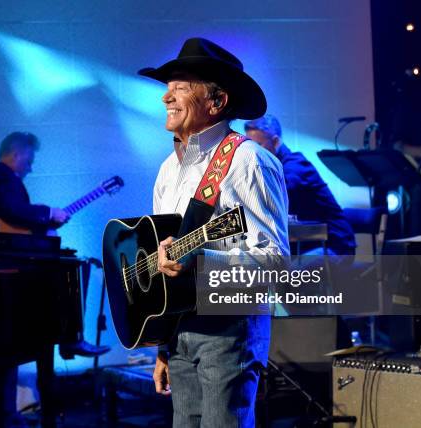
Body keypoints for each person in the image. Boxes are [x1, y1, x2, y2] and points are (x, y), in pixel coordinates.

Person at [139, 38, 290, 427]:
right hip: (180, 331)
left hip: (229, 327)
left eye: (181, 87)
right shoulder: (167, 171)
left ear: (216, 102)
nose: (166, 98)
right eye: (167, 88)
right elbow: (165, 259)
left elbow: (274, 263)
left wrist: (201, 261)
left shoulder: (248, 161)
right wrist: (161, 346)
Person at [0, 131, 109, 427]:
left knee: (3, 357)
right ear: (16, 154)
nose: (31, 166)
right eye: (29, 159)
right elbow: (12, 211)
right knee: (71, 265)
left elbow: (11, 219)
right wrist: (48, 212)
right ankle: (70, 335)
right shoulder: (3, 179)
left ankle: (6, 415)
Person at [244, 114, 356, 255]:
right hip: (306, 245)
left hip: (334, 246)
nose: (253, 151)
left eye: (258, 145)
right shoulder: (270, 168)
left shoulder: (296, 165)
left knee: (284, 274)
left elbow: (275, 191)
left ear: (276, 142)